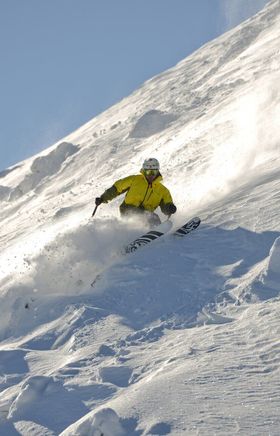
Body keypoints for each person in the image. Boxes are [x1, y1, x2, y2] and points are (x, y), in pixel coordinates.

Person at [95, 158, 177, 227]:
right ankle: (153, 232)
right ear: (144, 171)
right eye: (148, 172)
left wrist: (169, 208)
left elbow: (166, 204)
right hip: (128, 209)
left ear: (157, 172)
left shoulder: (162, 190)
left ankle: (153, 235)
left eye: (153, 172)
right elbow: (117, 188)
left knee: (150, 217)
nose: (151, 175)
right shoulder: (134, 180)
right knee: (152, 217)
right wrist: (103, 198)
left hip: (146, 213)